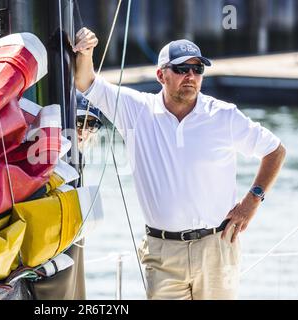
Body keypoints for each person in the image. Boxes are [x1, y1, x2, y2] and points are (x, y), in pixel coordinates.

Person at [73, 27, 286, 300]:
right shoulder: (136, 110)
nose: (191, 76)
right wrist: (86, 50)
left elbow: (275, 151)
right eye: (182, 69)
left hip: (216, 248)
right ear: (161, 75)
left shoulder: (223, 116)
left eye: (197, 70)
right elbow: (86, 82)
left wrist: (252, 201)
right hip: (162, 253)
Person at [31, 92, 103, 300]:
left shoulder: (77, 156)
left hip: (70, 239)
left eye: (92, 125)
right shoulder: (49, 155)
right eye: (80, 121)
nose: (84, 130)